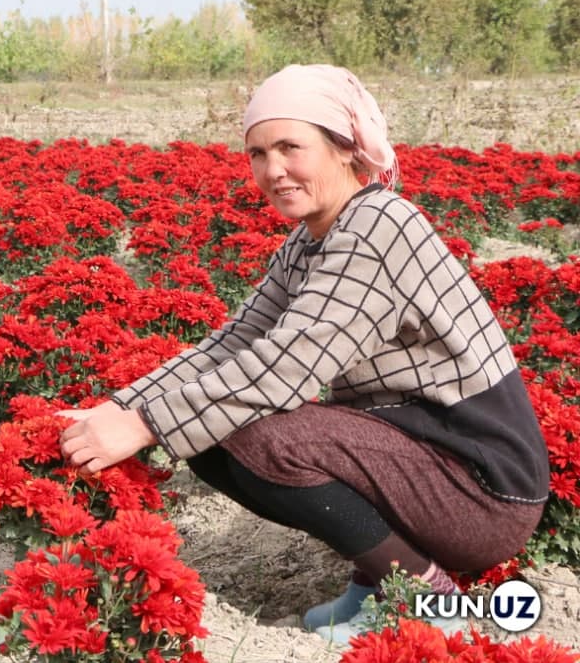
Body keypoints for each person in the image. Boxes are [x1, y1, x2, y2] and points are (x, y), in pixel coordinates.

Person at [59, 64, 549, 643]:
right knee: (205, 429)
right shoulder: (313, 237)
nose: (272, 171)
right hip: (426, 459)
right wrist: (118, 408)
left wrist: (143, 423)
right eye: (257, 153)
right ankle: (380, 581)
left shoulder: (378, 227)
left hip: (482, 489)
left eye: (291, 147)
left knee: (246, 431)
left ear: (344, 148)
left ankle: (428, 599)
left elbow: (286, 368)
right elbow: (235, 343)